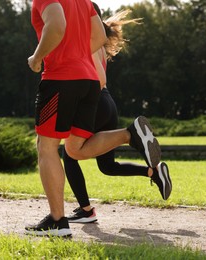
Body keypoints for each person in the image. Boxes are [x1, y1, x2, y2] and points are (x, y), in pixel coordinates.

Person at [25, 0, 168, 238]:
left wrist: (38, 57)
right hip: (89, 81)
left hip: (61, 78)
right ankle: (130, 134)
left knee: (46, 148)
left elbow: (57, 26)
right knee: (75, 150)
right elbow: (100, 36)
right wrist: (78, 55)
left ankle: (58, 221)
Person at [64, 3, 172, 224]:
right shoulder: (98, 42)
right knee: (107, 167)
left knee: (69, 153)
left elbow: (99, 78)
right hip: (106, 103)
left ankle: (85, 210)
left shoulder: (89, 41)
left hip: (95, 101)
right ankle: (154, 173)